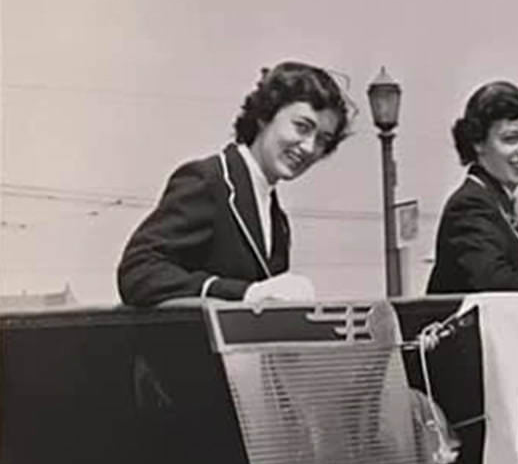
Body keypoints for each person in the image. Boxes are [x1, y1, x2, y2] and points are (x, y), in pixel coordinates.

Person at [117, 61, 350, 307]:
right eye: (302, 127)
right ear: (264, 116)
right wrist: (245, 294)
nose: (309, 147)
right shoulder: (208, 180)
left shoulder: (278, 221)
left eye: (323, 140)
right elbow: (139, 271)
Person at [427, 81, 518, 294]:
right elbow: (496, 283)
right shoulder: (469, 206)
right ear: (477, 142)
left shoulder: (494, 199)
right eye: (511, 138)